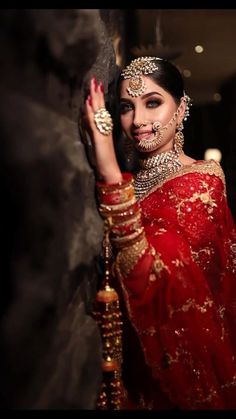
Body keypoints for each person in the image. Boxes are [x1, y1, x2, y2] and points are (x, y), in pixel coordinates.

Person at [84, 56, 236, 409]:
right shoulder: (130, 185)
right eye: (126, 107)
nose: (138, 121)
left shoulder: (203, 183)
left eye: (153, 103)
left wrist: (107, 167)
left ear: (181, 109)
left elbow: (154, 280)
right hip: (122, 373)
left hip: (176, 381)